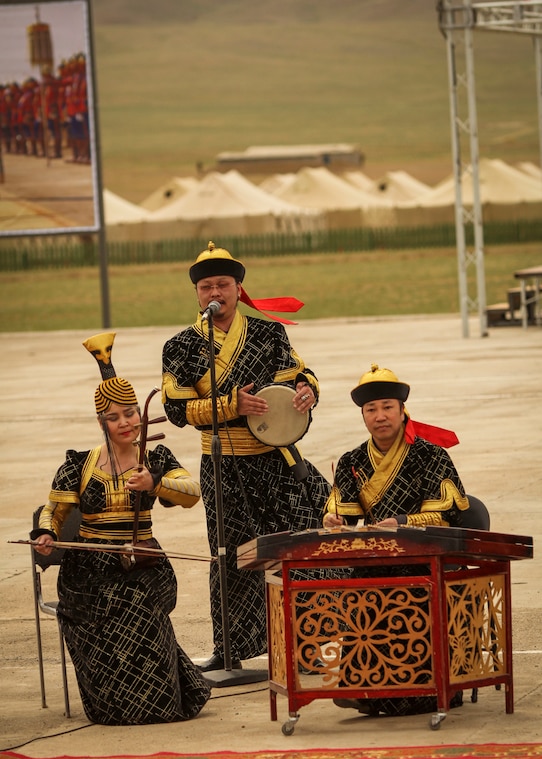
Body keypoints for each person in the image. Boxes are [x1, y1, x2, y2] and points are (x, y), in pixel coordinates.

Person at [162, 242, 331, 672]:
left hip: (276, 460)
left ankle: (310, 643)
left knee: (296, 549)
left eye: (222, 283)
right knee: (231, 555)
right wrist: (229, 406)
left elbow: (301, 374)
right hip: (223, 464)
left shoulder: (269, 333)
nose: (214, 291)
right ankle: (232, 648)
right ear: (197, 294)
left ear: (238, 289)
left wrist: (308, 393)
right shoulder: (180, 347)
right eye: (205, 286)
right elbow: (177, 411)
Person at [31, 332, 211, 725]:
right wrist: (44, 535)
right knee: (113, 605)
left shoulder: (156, 455)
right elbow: (54, 512)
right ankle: (116, 705)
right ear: (102, 422)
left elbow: (192, 493)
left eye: (130, 413)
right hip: (89, 572)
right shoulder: (79, 464)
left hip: (142, 563)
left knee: (137, 605)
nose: (125, 422)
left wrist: (156, 484)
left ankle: (158, 704)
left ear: (141, 414)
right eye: (113, 417)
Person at [323, 363, 469, 717]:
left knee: (409, 589)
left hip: (424, 558)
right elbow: (345, 513)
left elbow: (446, 515)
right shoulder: (352, 461)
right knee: (349, 585)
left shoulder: (431, 455)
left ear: (402, 410)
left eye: (387, 407)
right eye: (371, 409)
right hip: (375, 558)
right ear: (363, 416)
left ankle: (418, 689)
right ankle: (360, 681)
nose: (380, 416)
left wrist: (402, 522)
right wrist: (334, 520)